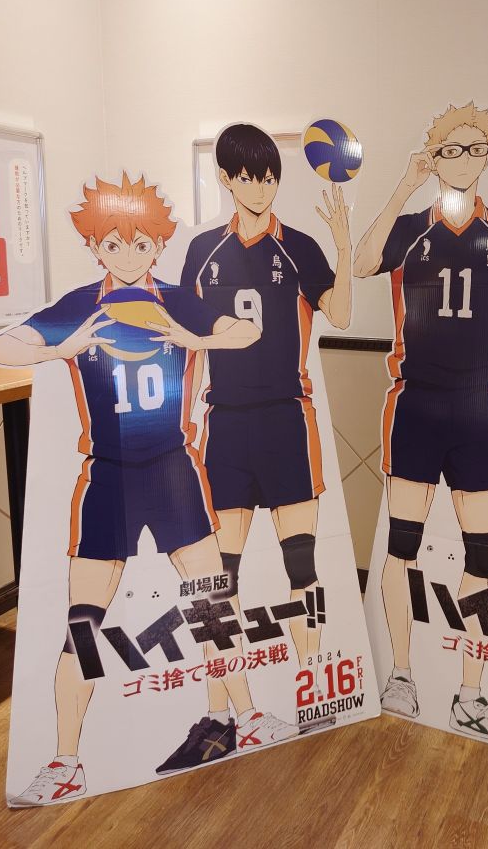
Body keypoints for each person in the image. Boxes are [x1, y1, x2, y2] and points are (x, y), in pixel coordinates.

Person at [0, 174, 269, 805]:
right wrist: (62, 348)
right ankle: (66, 761)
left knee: (212, 602)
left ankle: (248, 717)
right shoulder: (82, 304)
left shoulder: (178, 300)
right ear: (95, 247)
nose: (129, 255)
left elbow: (247, 331)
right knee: (82, 623)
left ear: (159, 245)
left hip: (172, 469)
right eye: (114, 244)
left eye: (141, 243)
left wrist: (198, 338)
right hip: (107, 473)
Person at [354, 102, 488, 749]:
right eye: (449, 150)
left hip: (481, 411)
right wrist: (404, 185)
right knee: (401, 547)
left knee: (484, 556)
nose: (463, 160)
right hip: (418, 405)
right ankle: (401, 675)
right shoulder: (410, 228)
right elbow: (360, 263)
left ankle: (469, 693)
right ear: (433, 157)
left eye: (474, 148)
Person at [180, 123, 351, 735]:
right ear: (227, 179)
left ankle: (313, 691)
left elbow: (342, 313)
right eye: (249, 177)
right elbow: (187, 340)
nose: (261, 188)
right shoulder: (202, 250)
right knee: (218, 576)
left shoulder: (299, 246)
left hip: (286, 421)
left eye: (270, 177)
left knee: (301, 566)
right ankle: (221, 712)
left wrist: (343, 246)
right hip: (225, 424)